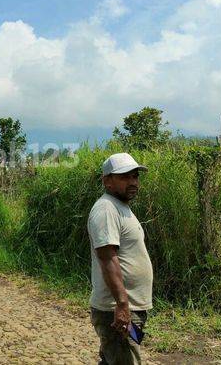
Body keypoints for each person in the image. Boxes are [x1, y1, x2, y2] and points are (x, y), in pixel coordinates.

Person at [87, 153, 153, 365]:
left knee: (113, 359)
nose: (133, 182)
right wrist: (122, 305)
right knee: (125, 360)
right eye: (125, 177)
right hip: (118, 311)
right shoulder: (106, 209)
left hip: (128, 309)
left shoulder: (121, 207)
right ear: (106, 180)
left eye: (135, 176)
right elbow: (107, 258)